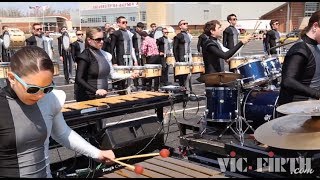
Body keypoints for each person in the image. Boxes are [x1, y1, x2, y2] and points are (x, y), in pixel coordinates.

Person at [0, 46, 115, 178]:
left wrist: (97, 153)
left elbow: (61, 132)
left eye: (47, 88)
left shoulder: (50, 98)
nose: (40, 95)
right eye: (32, 89)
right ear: (12, 78)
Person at [75, 27, 138, 102]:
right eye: (98, 39)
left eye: (103, 39)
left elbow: (112, 75)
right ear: (89, 40)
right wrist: (96, 91)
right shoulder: (84, 56)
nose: (101, 42)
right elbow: (79, 79)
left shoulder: (106, 55)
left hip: (101, 97)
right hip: (87, 98)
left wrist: (129, 75)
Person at [277, 10, 320, 113]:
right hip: (299, 110)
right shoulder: (300, 49)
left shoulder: (316, 47)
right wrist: (317, 94)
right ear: (315, 26)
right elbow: (288, 81)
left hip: (313, 107)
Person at [110, 16, 138, 94]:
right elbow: (112, 49)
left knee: (130, 75)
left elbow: (132, 47)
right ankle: (121, 93)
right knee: (121, 77)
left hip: (129, 57)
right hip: (120, 58)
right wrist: (114, 61)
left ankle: (128, 92)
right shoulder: (115, 34)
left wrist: (135, 60)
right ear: (118, 23)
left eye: (126, 22)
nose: (125, 24)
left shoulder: (129, 33)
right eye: (123, 22)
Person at [173, 20, 192, 87]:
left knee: (188, 76)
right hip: (181, 59)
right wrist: (177, 60)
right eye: (184, 23)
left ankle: (188, 92)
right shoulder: (179, 35)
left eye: (187, 23)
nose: (186, 24)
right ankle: (183, 93)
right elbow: (174, 48)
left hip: (188, 58)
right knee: (182, 77)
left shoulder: (187, 35)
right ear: (180, 26)